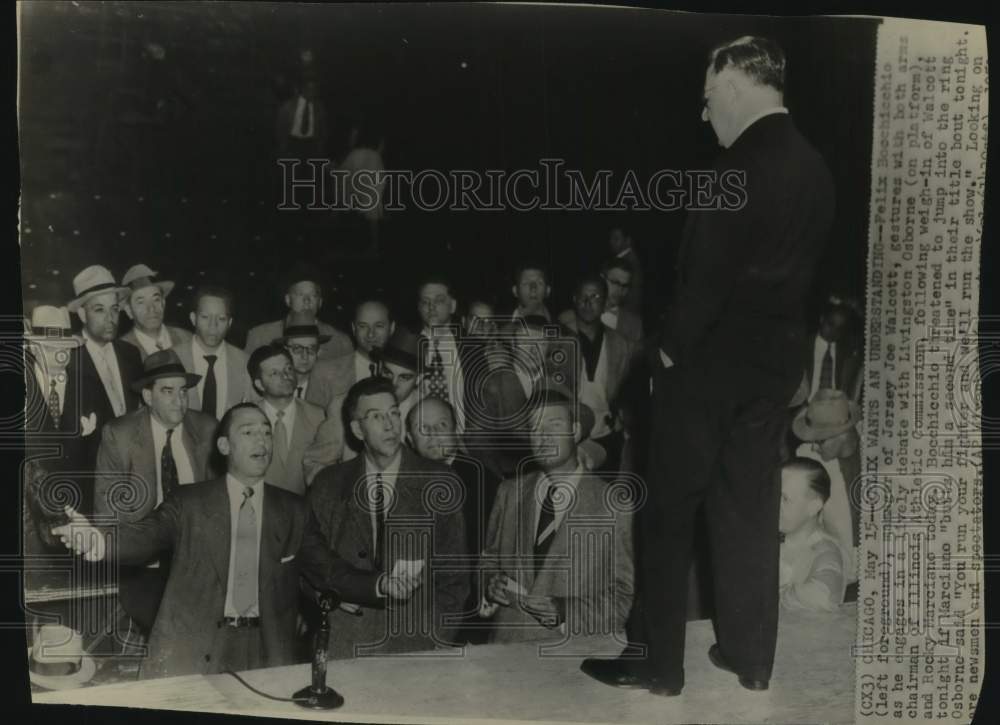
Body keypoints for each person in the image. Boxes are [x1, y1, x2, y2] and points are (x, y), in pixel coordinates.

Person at [582, 36, 835, 695]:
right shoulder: (815, 167)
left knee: (667, 510)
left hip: (705, 367)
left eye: (706, 98)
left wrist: (663, 354)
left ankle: (658, 664)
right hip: (772, 370)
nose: (703, 115)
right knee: (749, 506)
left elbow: (704, 285)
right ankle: (751, 657)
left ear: (733, 85)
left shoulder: (732, 169)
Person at [53, 403, 415, 679]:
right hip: (191, 649)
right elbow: (147, 535)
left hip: (267, 651)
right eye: (248, 432)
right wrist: (99, 541)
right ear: (224, 445)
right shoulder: (189, 501)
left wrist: (382, 583)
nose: (262, 440)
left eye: (266, 432)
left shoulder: (293, 510)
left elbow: (329, 570)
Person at [305, 376, 469, 658]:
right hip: (345, 644)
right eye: (376, 416)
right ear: (357, 429)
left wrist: (435, 640)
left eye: (394, 413)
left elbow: (455, 578)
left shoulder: (439, 480)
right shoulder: (329, 484)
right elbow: (307, 563)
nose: (390, 424)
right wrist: (326, 596)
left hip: (415, 646)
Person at [480, 386, 634, 643]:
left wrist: (566, 612)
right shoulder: (508, 492)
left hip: (572, 657)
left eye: (553, 424)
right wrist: (489, 583)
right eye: (534, 428)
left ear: (574, 431)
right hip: (506, 652)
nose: (543, 436)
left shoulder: (613, 503)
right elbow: (488, 560)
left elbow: (624, 595)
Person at [93, 349, 218, 645]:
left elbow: (219, 503)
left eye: (183, 391)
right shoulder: (119, 435)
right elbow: (107, 515)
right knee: (164, 633)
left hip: (197, 561)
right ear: (148, 397)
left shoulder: (207, 429)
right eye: (167, 391)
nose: (180, 400)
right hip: (143, 565)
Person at [65, 265, 144, 491]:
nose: (110, 318)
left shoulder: (130, 354)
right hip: (88, 483)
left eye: (115, 309)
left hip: (133, 479)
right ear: (82, 314)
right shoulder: (68, 357)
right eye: (99, 310)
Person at [558, 276, 635, 473]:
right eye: (582, 296)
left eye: (595, 297)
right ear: (574, 299)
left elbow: (625, 390)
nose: (587, 302)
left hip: (606, 435)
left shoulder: (620, 345)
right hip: (568, 436)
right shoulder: (558, 340)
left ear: (604, 303)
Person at [791, 389, 861, 584]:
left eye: (820, 441)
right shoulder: (807, 457)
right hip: (836, 573)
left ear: (844, 434)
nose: (813, 447)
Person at [249, 343, 331, 495]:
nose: (285, 376)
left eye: (288, 369)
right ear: (259, 384)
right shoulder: (247, 418)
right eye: (274, 373)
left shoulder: (318, 416)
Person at [175, 285, 253, 419]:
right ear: (193, 318)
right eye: (205, 317)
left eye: (221, 318)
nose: (213, 325)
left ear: (229, 323)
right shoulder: (173, 357)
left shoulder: (245, 362)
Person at [778, 458, 846, 612]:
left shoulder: (827, 550)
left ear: (813, 507)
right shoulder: (772, 540)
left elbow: (821, 596)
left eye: (785, 499)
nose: (775, 505)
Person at [243, 272, 352, 361]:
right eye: (300, 295)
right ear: (288, 300)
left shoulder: (340, 342)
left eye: (313, 295)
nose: (307, 301)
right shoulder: (260, 336)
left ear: (320, 302)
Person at [417, 277, 467, 432]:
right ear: (418, 307)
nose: (431, 307)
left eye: (439, 301)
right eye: (425, 302)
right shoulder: (408, 347)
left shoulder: (472, 347)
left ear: (452, 306)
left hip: (466, 442)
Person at [119, 264, 192, 360]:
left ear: (163, 303)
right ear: (129, 311)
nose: (151, 308)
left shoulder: (187, 339)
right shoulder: (121, 353)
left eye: (156, 299)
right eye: (141, 302)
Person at [274, 311, 344, 410]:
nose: (304, 356)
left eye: (311, 349)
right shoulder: (273, 385)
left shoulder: (330, 388)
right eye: (297, 348)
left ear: (318, 351)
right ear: (285, 350)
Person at [805, 297, 862, 401]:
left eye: (840, 328)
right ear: (822, 319)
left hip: (834, 410)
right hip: (805, 408)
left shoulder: (846, 352)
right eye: (830, 324)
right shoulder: (804, 345)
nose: (834, 331)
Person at [275, 77, 328, 160]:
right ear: (303, 89)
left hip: (311, 145)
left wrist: (320, 146)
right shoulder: (288, 105)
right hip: (293, 144)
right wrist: (283, 146)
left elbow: (323, 128)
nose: (312, 92)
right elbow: (280, 127)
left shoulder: (319, 107)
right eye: (310, 88)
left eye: (315, 89)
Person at [608, 227, 642, 314]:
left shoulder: (630, 262)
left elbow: (633, 296)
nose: (611, 242)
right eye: (611, 238)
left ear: (628, 241)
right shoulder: (622, 259)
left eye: (616, 239)